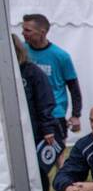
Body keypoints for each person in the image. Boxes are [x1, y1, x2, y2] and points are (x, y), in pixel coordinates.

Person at [21, 13, 81, 166]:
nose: (23, 34)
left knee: (56, 155)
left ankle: (63, 186)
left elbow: (73, 87)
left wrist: (75, 115)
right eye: (23, 30)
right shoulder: (21, 52)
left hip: (54, 113)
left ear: (42, 32)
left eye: (28, 30)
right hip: (30, 112)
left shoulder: (60, 56)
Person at [12, 35, 59, 191]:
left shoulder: (31, 71)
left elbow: (45, 100)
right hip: (10, 134)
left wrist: (47, 128)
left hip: (34, 133)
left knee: (37, 171)